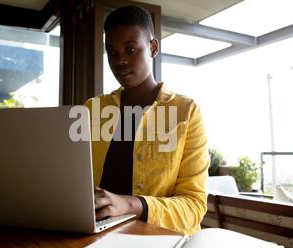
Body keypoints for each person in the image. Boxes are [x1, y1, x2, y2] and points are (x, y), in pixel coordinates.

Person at [84, 6, 209, 235]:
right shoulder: (91, 110)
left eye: (130, 49)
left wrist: (131, 204)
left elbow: (194, 206)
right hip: (96, 238)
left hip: (159, 242)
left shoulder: (186, 112)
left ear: (152, 48)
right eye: (112, 52)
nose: (120, 61)